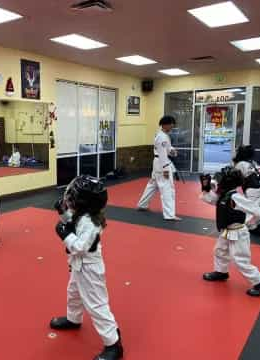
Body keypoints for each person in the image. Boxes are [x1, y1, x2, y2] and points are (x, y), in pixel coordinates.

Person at [50, 175, 124, 360]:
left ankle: (113, 344)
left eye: (73, 197)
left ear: (83, 202)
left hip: (89, 269)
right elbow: (73, 224)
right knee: (73, 293)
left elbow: (80, 246)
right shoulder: (84, 216)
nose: (70, 199)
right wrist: (62, 213)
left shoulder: (91, 223)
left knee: (96, 304)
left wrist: (64, 234)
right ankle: (74, 318)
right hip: (79, 265)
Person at [200, 167, 260, 296]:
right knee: (219, 251)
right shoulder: (223, 195)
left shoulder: (235, 197)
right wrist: (205, 187)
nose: (218, 181)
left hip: (238, 233)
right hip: (227, 231)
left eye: (220, 179)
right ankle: (221, 272)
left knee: (240, 260)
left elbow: (255, 209)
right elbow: (210, 199)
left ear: (227, 181)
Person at [137, 115, 180, 220]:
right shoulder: (162, 137)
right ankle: (169, 215)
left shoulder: (162, 134)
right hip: (162, 163)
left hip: (158, 163)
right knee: (167, 188)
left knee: (152, 185)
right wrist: (165, 168)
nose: (172, 127)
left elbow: (167, 148)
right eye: (171, 125)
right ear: (165, 124)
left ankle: (142, 204)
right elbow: (162, 153)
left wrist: (172, 151)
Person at [233, 145, 260, 236]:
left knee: (250, 207)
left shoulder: (241, 164)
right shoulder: (253, 162)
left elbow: (236, 178)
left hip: (253, 187)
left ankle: (250, 227)